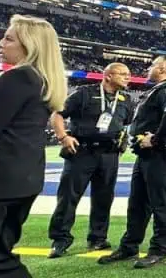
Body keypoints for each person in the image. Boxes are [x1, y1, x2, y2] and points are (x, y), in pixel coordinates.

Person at [0, 15, 68, 278]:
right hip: (19, 182)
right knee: (0, 260)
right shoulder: (40, 80)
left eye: (8, 38)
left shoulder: (18, 78)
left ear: (30, 45)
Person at [98, 57, 166, 269]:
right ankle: (129, 246)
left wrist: (155, 138)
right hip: (146, 157)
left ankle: (158, 250)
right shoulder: (157, 90)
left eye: (152, 66)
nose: (148, 69)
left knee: (161, 205)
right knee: (137, 204)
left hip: (162, 156)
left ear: (162, 68)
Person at [47, 62, 133, 258]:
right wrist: (63, 137)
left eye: (128, 74)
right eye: (123, 74)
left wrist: (122, 142)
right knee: (68, 197)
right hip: (82, 151)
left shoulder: (127, 99)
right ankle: (60, 240)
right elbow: (57, 114)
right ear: (108, 76)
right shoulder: (84, 93)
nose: (128, 77)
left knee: (104, 198)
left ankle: (98, 238)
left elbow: (124, 124)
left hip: (110, 154)